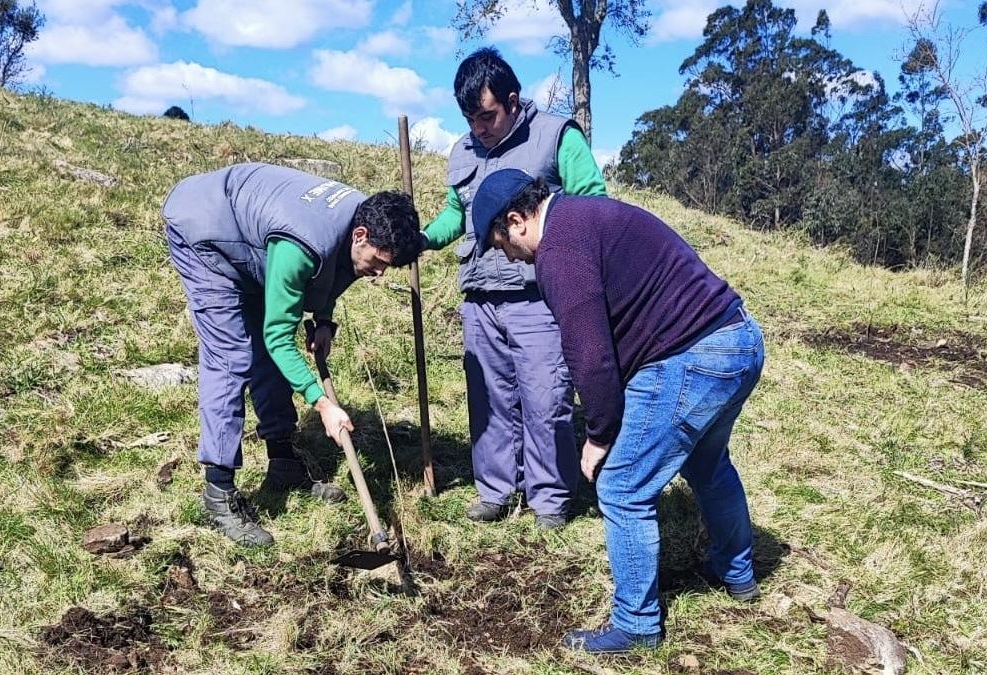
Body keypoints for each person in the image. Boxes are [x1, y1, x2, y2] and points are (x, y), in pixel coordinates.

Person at [470, 169, 766, 654]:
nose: (506, 255)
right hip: (738, 340)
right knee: (708, 464)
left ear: (517, 221)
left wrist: (600, 434)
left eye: (500, 243)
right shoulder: (582, 217)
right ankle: (736, 574)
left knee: (622, 485)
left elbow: (591, 354)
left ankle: (637, 626)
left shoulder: (559, 253)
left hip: (693, 355)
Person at [162, 162, 425, 547]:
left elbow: (335, 271)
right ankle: (218, 494)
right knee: (232, 357)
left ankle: (283, 461)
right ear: (361, 234)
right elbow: (278, 336)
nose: (379, 275)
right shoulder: (302, 244)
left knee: (269, 362)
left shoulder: (360, 221)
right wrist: (321, 404)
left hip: (254, 236)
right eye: (378, 263)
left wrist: (323, 321)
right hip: (205, 230)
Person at [421, 47, 608, 529]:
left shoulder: (556, 137)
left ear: (511, 98)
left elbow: (592, 204)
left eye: (486, 115)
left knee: (546, 400)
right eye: (469, 118)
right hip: (479, 299)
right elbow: (453, 215)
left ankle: (550, 499)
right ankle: (496, 490)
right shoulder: (462, 151)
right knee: (490, 400)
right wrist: (423, 239)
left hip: (540, 295)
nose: (478, 128)